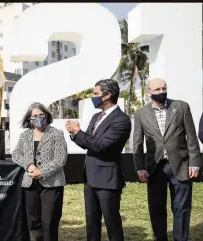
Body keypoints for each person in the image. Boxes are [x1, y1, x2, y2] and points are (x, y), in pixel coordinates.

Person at [133, 78, 201, 241]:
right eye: (157, 89)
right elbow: (137, 143)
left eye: (164, 88)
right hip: (154, 168)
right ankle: (160, 237)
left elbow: (191, 137)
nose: (161, 92)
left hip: (181, 165)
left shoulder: (181, 107)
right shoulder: (141, 113)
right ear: (149, 92)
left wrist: (195, 163)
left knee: (181, 208)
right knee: (156, 208)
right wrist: (139, 168)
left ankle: (181, 238)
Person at [66, 79, 131, 241]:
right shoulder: (96, 116)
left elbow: (101, 145)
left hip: (107, 181)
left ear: (107, 95)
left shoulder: (121, 120)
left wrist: (78, 131)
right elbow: (87, 142)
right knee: (91, 224)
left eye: (95, 94)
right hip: (90, 178)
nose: (92, 97)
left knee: (112, 224)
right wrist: (74, 134)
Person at [12, 102, 67, 241]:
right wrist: (29, 165)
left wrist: (42, 172)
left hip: (52, 184)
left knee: (49, 222)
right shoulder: (25, 136)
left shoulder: (56, 134)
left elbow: (61, 158)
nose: (38, 118)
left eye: (41, 115)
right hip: (30, 184)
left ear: (47, 115)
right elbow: (16, 154)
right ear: (29, 119)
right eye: (35, 116)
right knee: (34, 222)